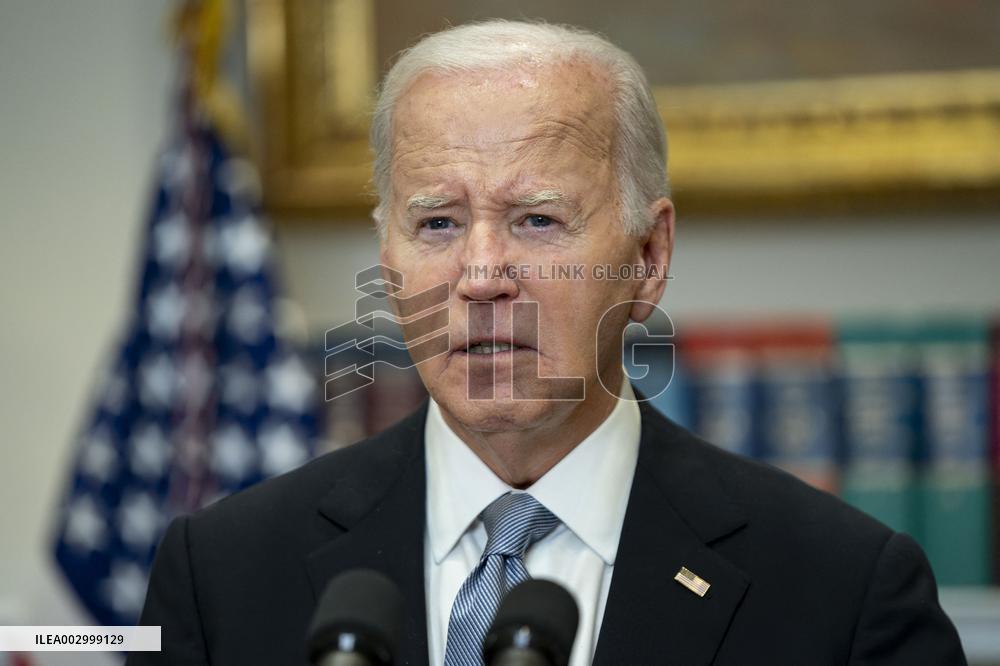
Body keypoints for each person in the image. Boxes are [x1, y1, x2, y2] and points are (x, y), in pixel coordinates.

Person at [129, 20, 966, 666]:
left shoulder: (845, 590)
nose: (481, 275)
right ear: (387, 265)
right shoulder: (222, 575)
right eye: (438, 223)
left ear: (648, 257)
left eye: (536, 220)